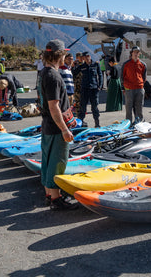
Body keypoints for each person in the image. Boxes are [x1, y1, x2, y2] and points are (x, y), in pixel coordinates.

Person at [38, 39, 78, 210]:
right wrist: (65, 129)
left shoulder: (43, 73)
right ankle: (56, 199)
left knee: (47, 160)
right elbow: (54, 105)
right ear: (59, 55)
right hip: (55, 127)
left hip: (47, 124)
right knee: (58, 161)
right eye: (64, 54)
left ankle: (49, 193)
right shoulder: (53, 76)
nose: (65, 57)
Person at [72, 52, 103, 128]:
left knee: (95, 107)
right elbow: (74, 72)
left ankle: (97, 123)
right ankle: (80, 124)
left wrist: (100, 85)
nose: (85, 59)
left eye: (86, 57)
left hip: (94, 89)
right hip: (85, 89)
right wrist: (73, 66)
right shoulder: (82, 66)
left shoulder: (95, 64)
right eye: (83, 58)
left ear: (89, 56)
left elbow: (100, 75)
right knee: (83, 107)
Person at [121, 46, 147, 123]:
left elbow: (144, 77)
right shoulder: (126, 64)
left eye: (137, 52)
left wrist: (140, 84)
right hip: (129, 89)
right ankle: (128, 123)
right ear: (131, 53)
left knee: (139, 107)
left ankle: (138, 122)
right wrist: (123, 88)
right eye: (134, 52)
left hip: (139, 88)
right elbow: (122, 76)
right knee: (128, 107)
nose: (136, 54)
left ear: (139, 54)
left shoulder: (143, 64)